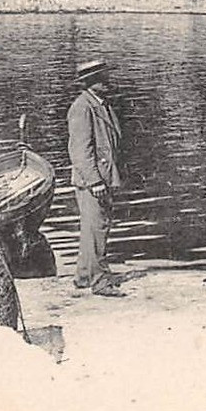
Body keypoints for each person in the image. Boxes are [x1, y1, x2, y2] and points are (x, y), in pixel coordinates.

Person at [67, 59, 126, 296]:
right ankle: (100, 282)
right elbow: (80, 151)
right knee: (97, 227)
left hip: (103, 176)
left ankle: (84, 275)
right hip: (93, 179)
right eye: (104, 78)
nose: (109, 81)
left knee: (93, 227)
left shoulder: (100, 104)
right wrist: (94, 181)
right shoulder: (82, 108)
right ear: (92, 82)